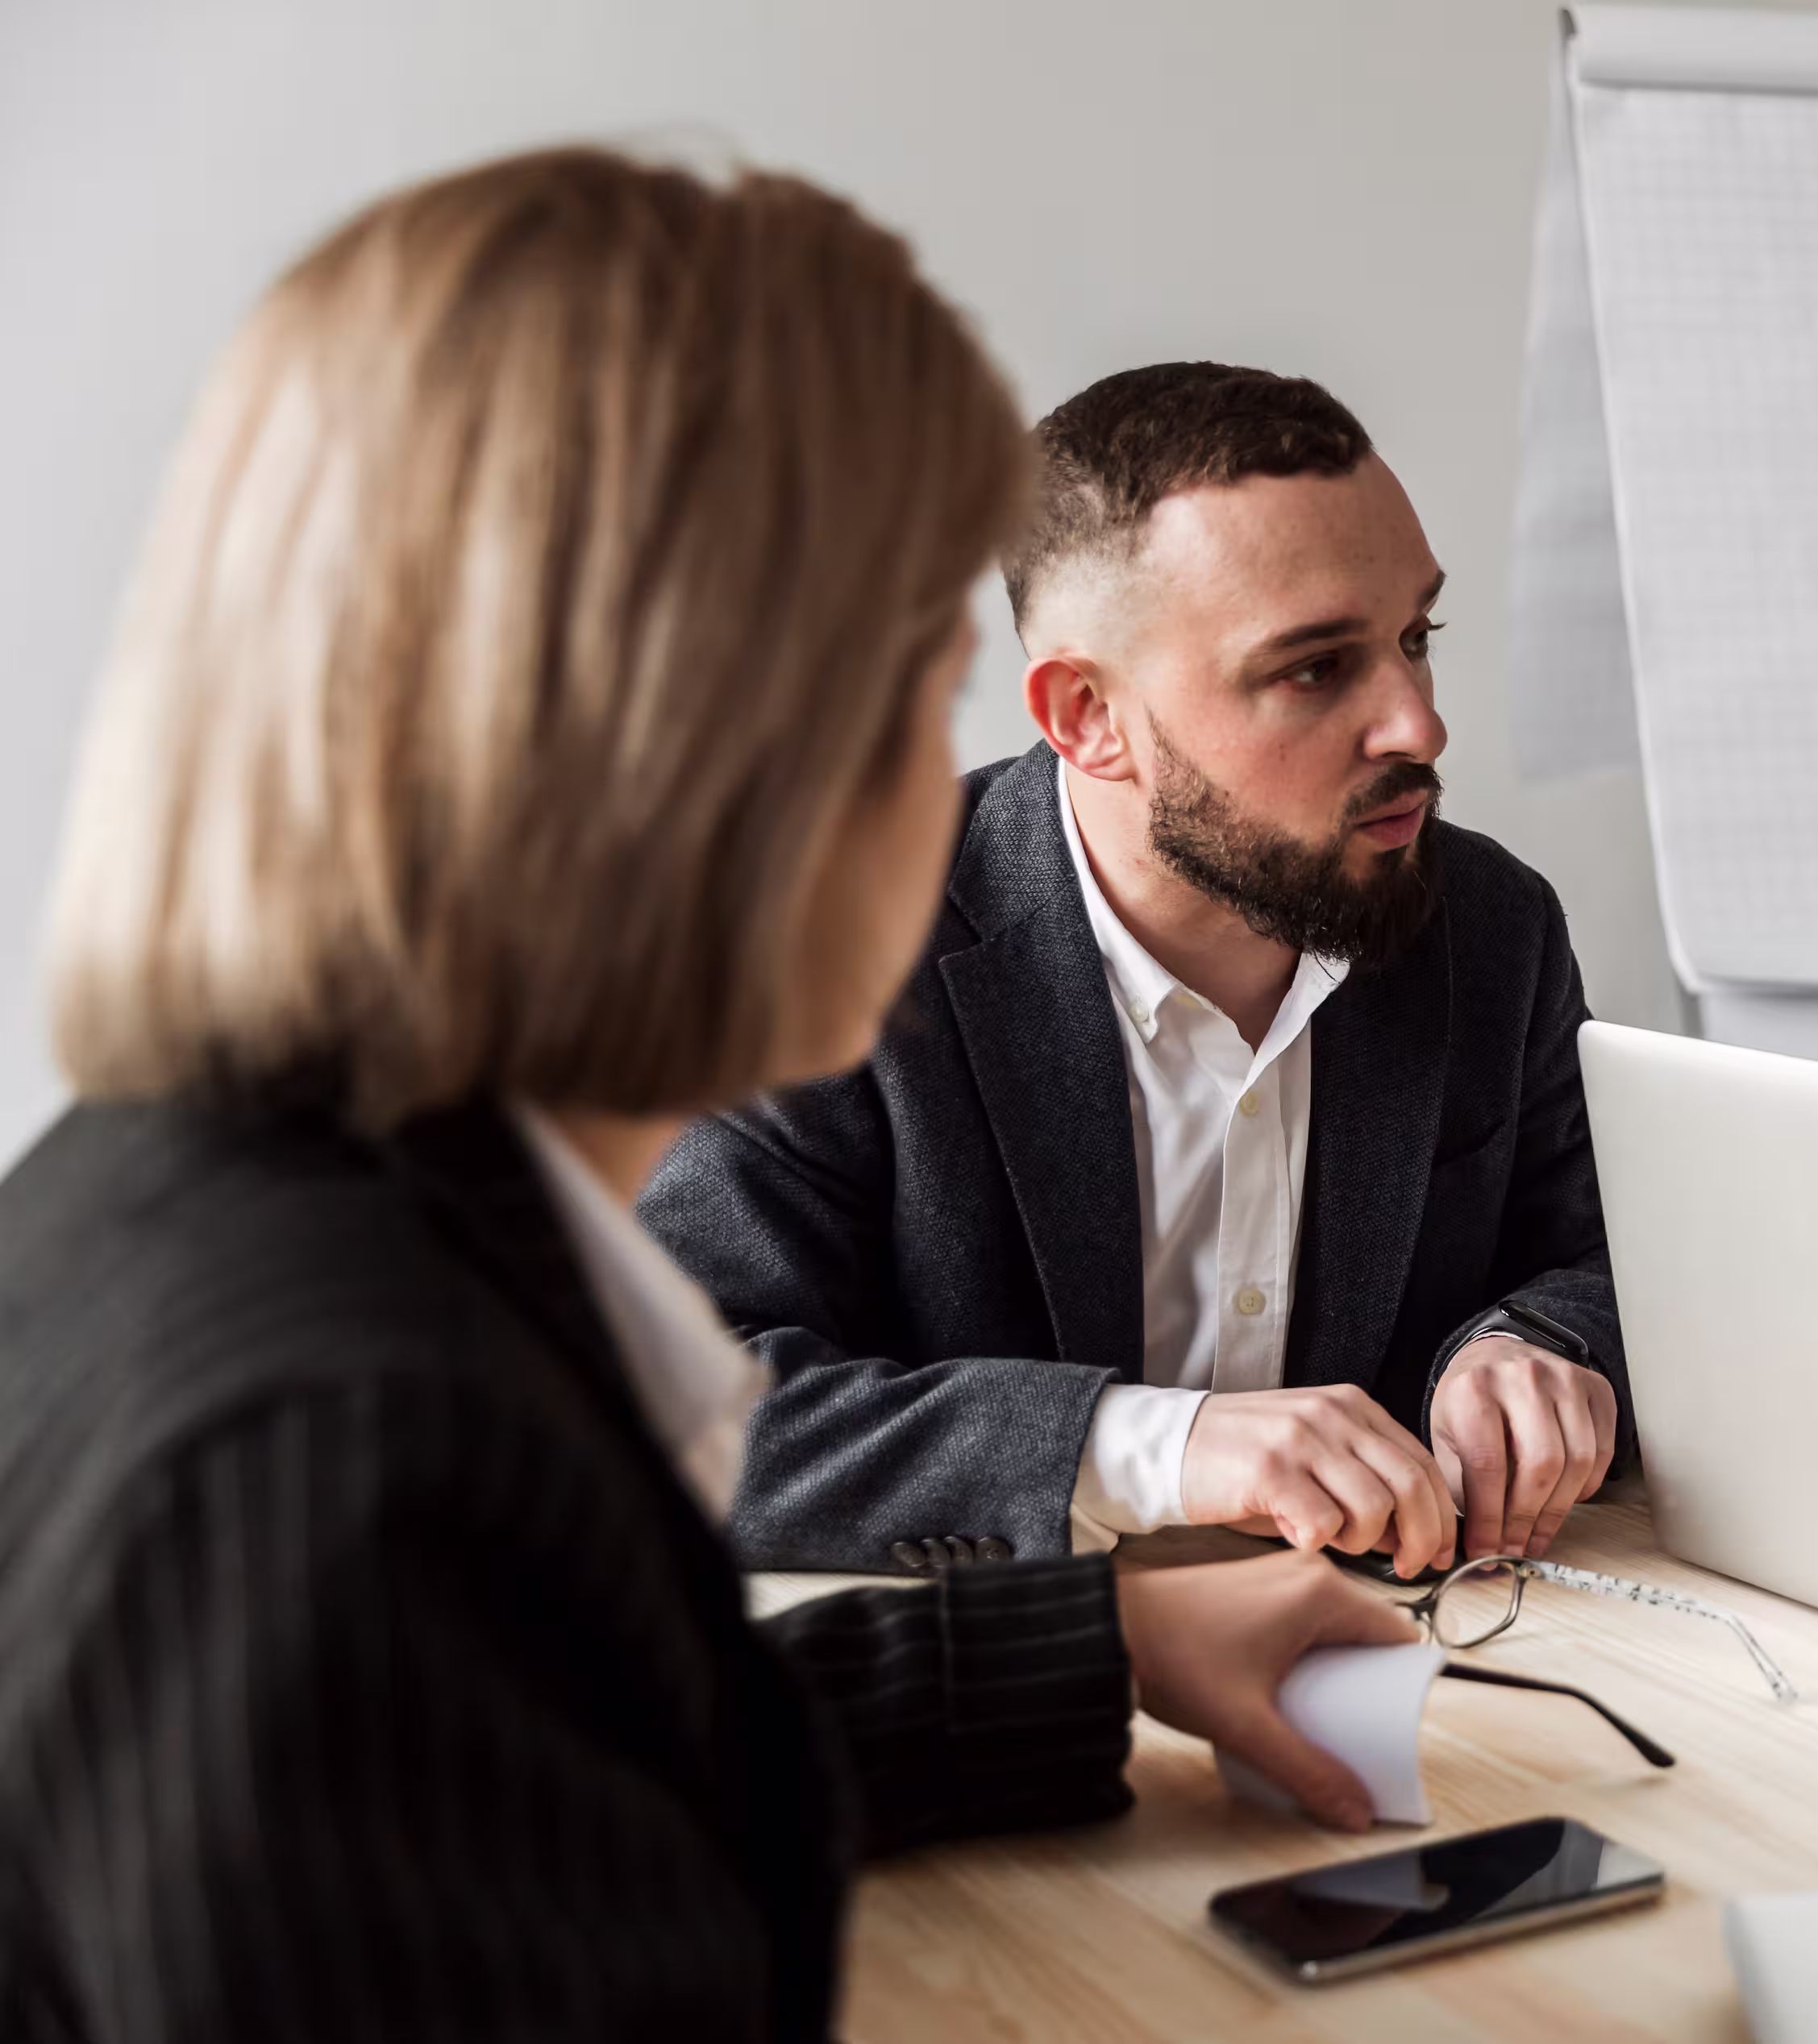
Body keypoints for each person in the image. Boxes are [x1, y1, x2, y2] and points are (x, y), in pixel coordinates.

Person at [0, 150, 1420, 2041]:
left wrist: (1099, 1640)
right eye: (919, 696)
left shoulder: (225, 1203)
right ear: (707, 743)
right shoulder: (342, 1457)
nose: (954, 801)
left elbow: (530, 1735)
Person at [641, 364, 1626, 1578]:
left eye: (1415, 638)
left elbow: (1618, 1261)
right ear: (1085, 717)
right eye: (1314, 669)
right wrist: (1153, 1449)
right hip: (1010, 1699)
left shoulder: (1491, 924)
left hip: (1432, 1666)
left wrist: (1539, 1344)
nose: (1419, 726)